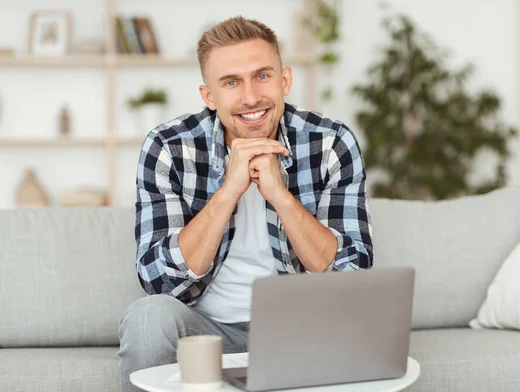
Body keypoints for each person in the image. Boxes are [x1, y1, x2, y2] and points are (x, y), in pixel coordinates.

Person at [118, 16, 373, 392]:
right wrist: (228, 191)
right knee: (147, 317)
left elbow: (352, 280)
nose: (251, 97)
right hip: (205, 334)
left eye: (262, 76)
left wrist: (280, 196)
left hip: (301, 329)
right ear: (209, 96)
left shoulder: (331, 141)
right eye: (231, 82)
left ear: (284, 80)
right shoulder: (169, 147)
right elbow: (159, 281)